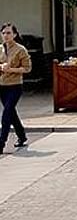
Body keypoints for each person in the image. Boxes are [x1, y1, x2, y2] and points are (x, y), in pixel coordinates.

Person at [0, 23, 31, 154]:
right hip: (2, 85)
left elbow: (27, 68)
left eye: (8, 33)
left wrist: (11, 69)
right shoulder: (0, 49)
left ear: (14, 35)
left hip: (15, 85)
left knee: (6, 112)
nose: (6, 36)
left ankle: (1, 142)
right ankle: (22, 136)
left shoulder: (20, 49)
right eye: (4, 33)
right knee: (11, 113)